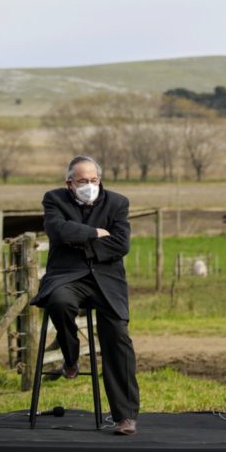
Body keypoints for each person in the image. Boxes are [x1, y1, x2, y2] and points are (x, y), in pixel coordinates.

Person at [32, 155, 141, 436]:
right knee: (59, 301)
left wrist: (80, 242)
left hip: (107, 281)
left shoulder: (118, 203)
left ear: (100, 180)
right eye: (83, 181)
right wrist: (94, 232)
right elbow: (57, 230)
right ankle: (69, 356)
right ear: (69, 183)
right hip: (66, 275)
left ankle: (125, 416)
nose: (89, 185)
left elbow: (121, 244)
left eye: (94, 180)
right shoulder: (54, 199)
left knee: (118, 336)